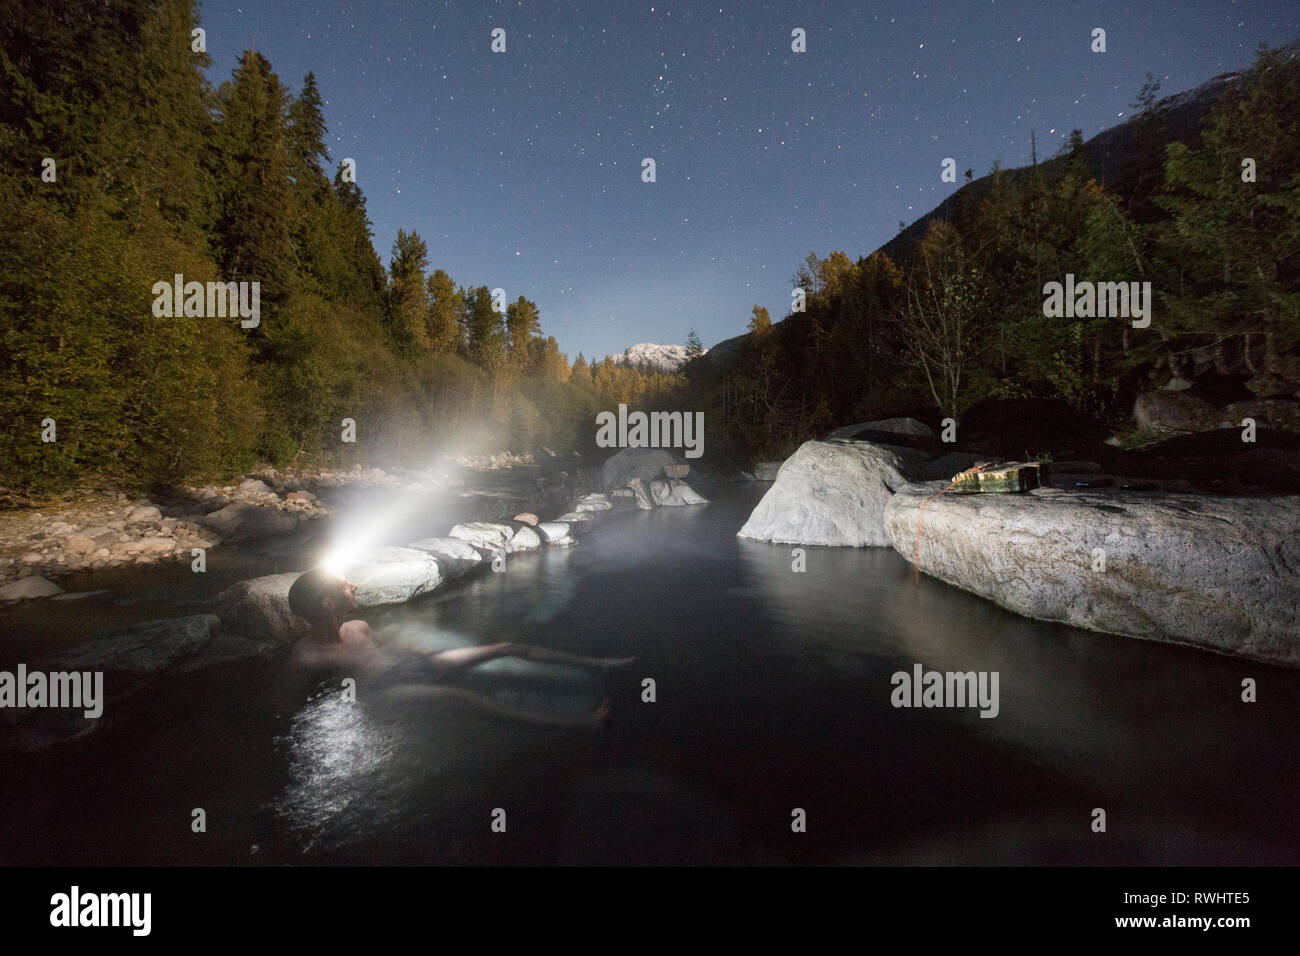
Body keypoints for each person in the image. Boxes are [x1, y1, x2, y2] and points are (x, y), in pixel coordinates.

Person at [286, 567, 624, 726]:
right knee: (463, 698)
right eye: (344, 585)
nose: (354, 584)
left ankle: (599, 664)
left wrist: (427, 656)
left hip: (412, 667)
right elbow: (298, 705)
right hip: (387, 692)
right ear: (328, 604)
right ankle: (581, 722)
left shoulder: (359, 626)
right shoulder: (309, 656)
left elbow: (393, 646)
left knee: (506, 647)